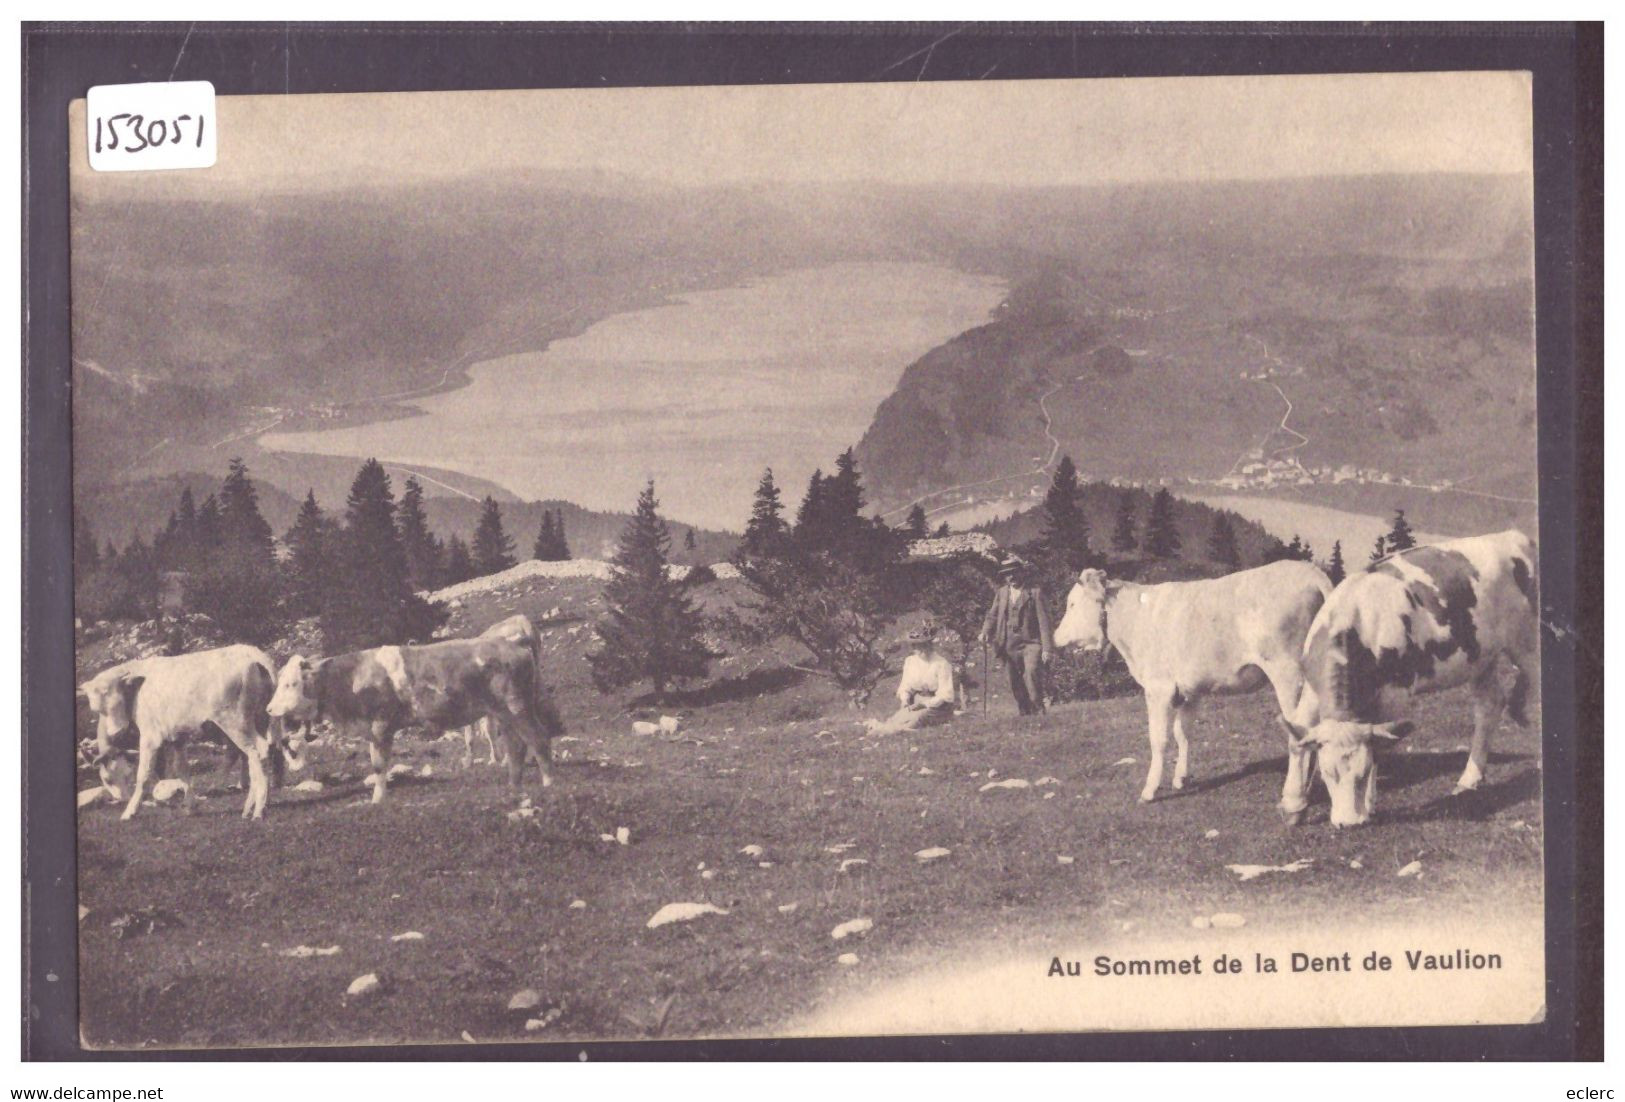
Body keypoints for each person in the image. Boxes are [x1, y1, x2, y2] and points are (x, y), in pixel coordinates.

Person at [979, 556, 1054, 716]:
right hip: (1008, 644)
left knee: (1032, 673)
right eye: (1007, 574)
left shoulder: (1035, 593)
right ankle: (1024, 712)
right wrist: (985, 631)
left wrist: (1047, 648)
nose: (1010, 577)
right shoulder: (1002, 593)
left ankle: (1039, 709)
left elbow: (1044, 622)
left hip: (1031, 643)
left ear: (1022, 573)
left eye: (1013, 573)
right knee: (1014, 681)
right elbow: (992, 615)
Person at [864, 626, 959, 735]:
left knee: (915, 720)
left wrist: (924, 704)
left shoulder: (941, 664)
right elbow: (905, 685)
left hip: (938, 707)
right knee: (897, 718)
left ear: (930, 645)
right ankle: (883, 729)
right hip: (916, 702)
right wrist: (905, 700)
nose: (919, 650)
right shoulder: (910, 661)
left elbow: (945, 695)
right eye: (915, 646)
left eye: (922, 645)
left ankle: (891, 731)